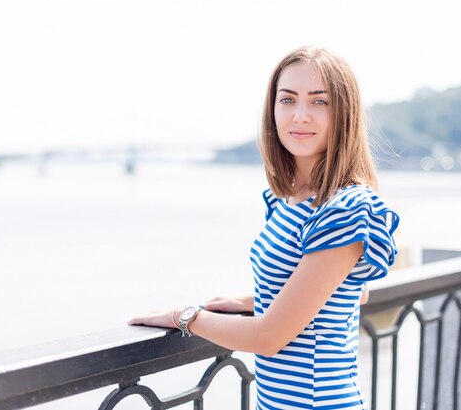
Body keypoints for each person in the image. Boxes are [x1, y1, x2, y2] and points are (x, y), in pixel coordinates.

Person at [128, 46, 399, 410]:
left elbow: (269, 337)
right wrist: (257, 300)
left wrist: (187, 317)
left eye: (320, 102)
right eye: (288, 100)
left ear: (344, 114)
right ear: (273, 110)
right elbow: (350, 292)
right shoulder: (290, 201)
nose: (300, 115)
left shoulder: (344, 209)